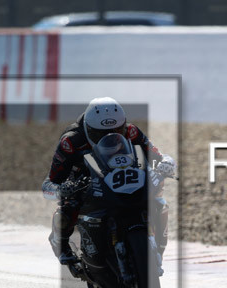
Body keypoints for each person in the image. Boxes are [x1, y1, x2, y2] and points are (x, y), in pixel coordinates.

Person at [42, 97, 176, 268]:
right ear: (88, 129)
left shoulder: (131, 131)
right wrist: (62, 189)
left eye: (117, 131)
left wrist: (166, 164)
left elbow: (156, 155)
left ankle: (157, 245)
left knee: (157, 199)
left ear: (123, 125)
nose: (110, 138)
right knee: (69, 206)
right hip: (86, 180)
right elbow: (50, 182)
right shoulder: (71, 141)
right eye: (101, 134)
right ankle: (61, 244)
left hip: (123, 175)